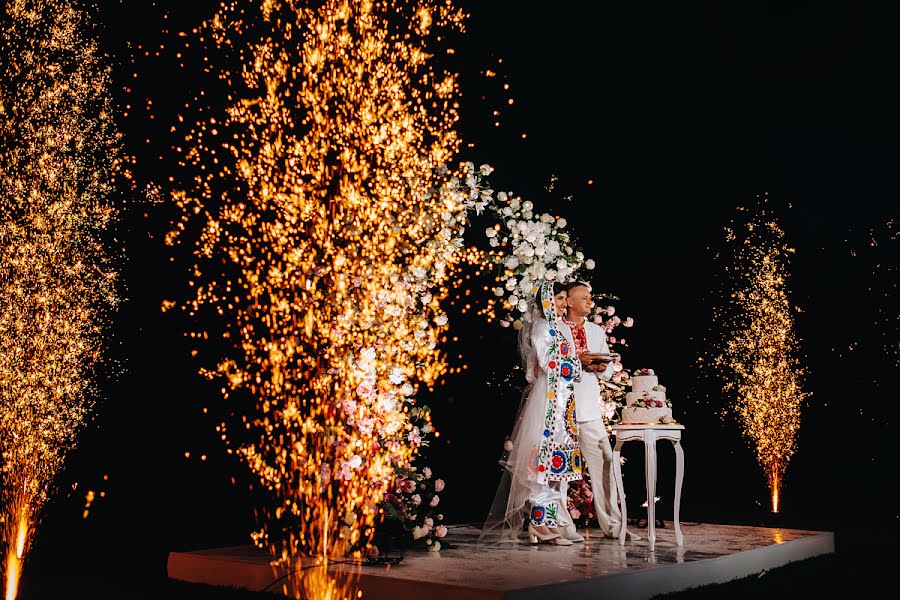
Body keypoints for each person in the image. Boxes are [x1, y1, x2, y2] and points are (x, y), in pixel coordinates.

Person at [479, 281, 585, 546]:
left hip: (562, 401)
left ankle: (546, 524)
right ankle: (539, 524)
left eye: (564, 299)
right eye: (558, 299)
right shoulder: (542, 328)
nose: (562, 304)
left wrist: (574, 365)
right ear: (547, 301)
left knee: (553, 468)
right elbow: (549, 363)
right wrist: (576, 364)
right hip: (548, 401)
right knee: (542, 462)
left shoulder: (560, 327)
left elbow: (563, 363)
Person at [559, 280, 640, 541]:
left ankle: (615, 525)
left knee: (605, 465)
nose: (589, 301)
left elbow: (606, 369)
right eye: (583, 297)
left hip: (589, 409)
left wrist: (598, 367)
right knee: (558, 473)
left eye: (590, 297)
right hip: (561, 411)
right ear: (569, 301)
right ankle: (562, 527)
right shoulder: (556, 329)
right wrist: (576, 363)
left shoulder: (595, 331)